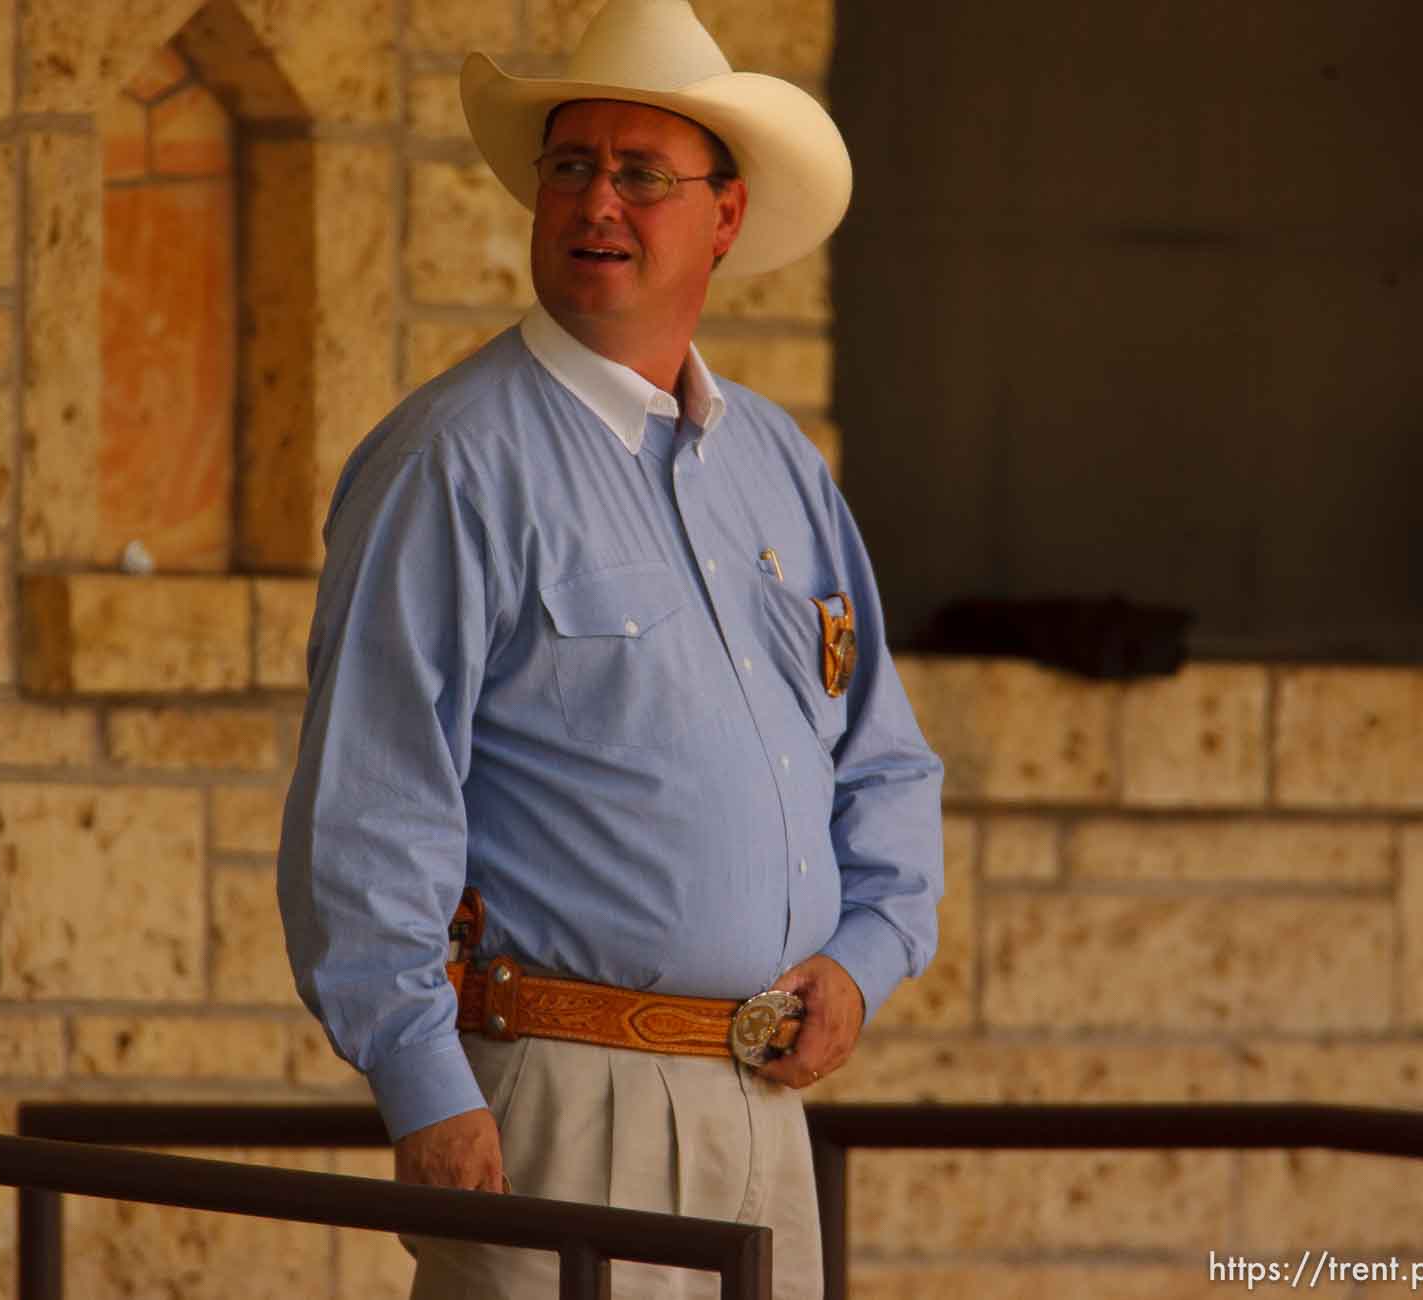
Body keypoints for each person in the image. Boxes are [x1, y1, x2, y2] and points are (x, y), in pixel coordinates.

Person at [277, 1, 944, 1295]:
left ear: (726, 217)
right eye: (570, 167)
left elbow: (885, 762)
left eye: (642, 175)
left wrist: (864, 961)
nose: (597, 202)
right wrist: (423, 1085)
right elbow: (370, 802)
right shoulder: (450, 460)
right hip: (555, 1106)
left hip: (764, 1103)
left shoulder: (774, 464)